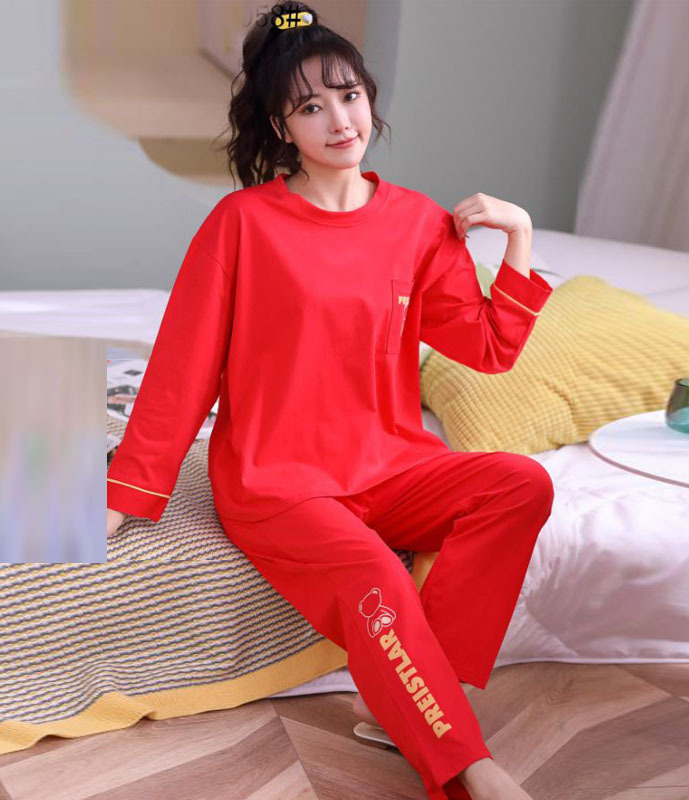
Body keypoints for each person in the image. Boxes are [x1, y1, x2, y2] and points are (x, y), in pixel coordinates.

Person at [106, 3, 554, 798]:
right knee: (374, 572)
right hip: (279, 483)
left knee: (521, 483)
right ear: (282, 126)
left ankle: (410, 704)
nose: (340, 120)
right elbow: (181, 371)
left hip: (391, 465)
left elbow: (488, 349)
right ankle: (469, 765)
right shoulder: (242, 224)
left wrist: (518, 237)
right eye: (311, 106)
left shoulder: (419, 224)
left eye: (348, 95)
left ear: (369, 98)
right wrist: (125, 496)